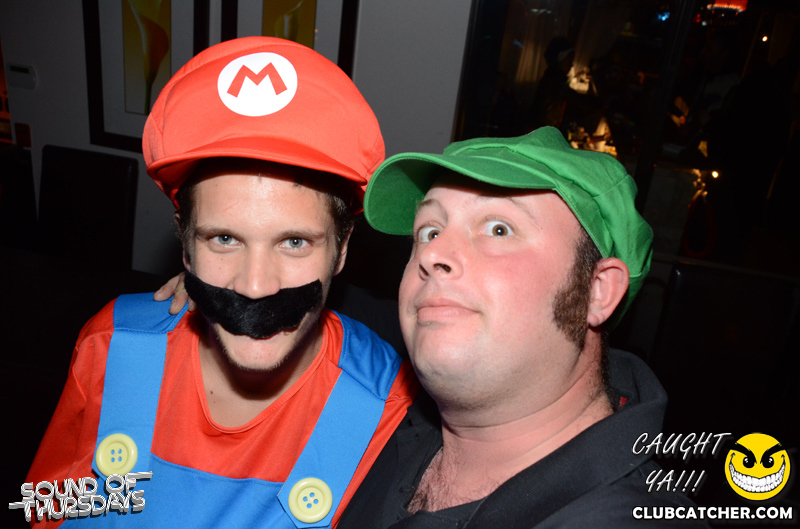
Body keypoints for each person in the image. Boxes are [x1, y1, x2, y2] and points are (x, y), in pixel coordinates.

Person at [25, 37, 416, 528]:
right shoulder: (112, 347)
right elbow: (47, 506)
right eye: (224, 239)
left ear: (341, 249)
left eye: (294, 242)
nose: (254, 286)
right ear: (185, 245)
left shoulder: (387, 409)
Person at [337, 127, 708, 528]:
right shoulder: (370, 423)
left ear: (597, 291)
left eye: (499, 229)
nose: (433, 253)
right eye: (429, 231)